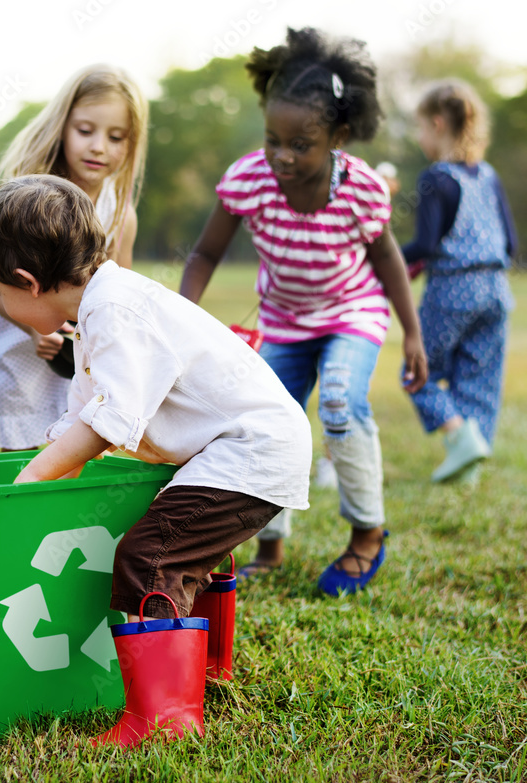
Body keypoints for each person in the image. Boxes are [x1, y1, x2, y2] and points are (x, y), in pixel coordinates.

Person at [0, 174, 311, 743]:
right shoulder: (102, 309)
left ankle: (167, 720)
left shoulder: (116, 312)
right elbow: (81, 422)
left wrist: (30, 479)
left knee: (151, 558)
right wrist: (47, 488)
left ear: (27, 281)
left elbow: (107, 422)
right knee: (186, 551)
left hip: (250, 451)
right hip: (240, 449)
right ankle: (205, 675)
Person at [179, 27, 428, 596]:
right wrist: (184, 320)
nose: (283, 156)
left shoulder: (361, 189)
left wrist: (412, 333)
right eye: (273, 139)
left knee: (340, 400)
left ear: (339, 136)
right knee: (268, 422)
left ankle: (367, 535)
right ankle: (271, 541)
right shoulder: (249, 179)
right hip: (286, 321)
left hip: (351, 311)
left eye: (301, 144)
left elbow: (387, 260)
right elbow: (205, 252)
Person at [0, 64, 148, 450]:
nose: (99, 146)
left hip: (74, 353)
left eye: (116, 137)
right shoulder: (26, 196)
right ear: (62, 126)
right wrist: (35, 328)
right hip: (15, 341)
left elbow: (118, 296)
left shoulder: (120, 213)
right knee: (20, 451)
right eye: (85, 131)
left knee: (74, 445)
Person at [401, 79, 517, 483]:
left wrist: (383, 257)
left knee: (418, 372)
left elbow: (426, 244)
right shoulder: (488, 175)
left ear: (436, 124)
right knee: (479, 379)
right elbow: (512, 242)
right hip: (497, 290)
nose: (419, 138)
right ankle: (468, 467)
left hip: (453, 289)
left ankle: (458, 438)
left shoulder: (436, 177)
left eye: (419, 128)